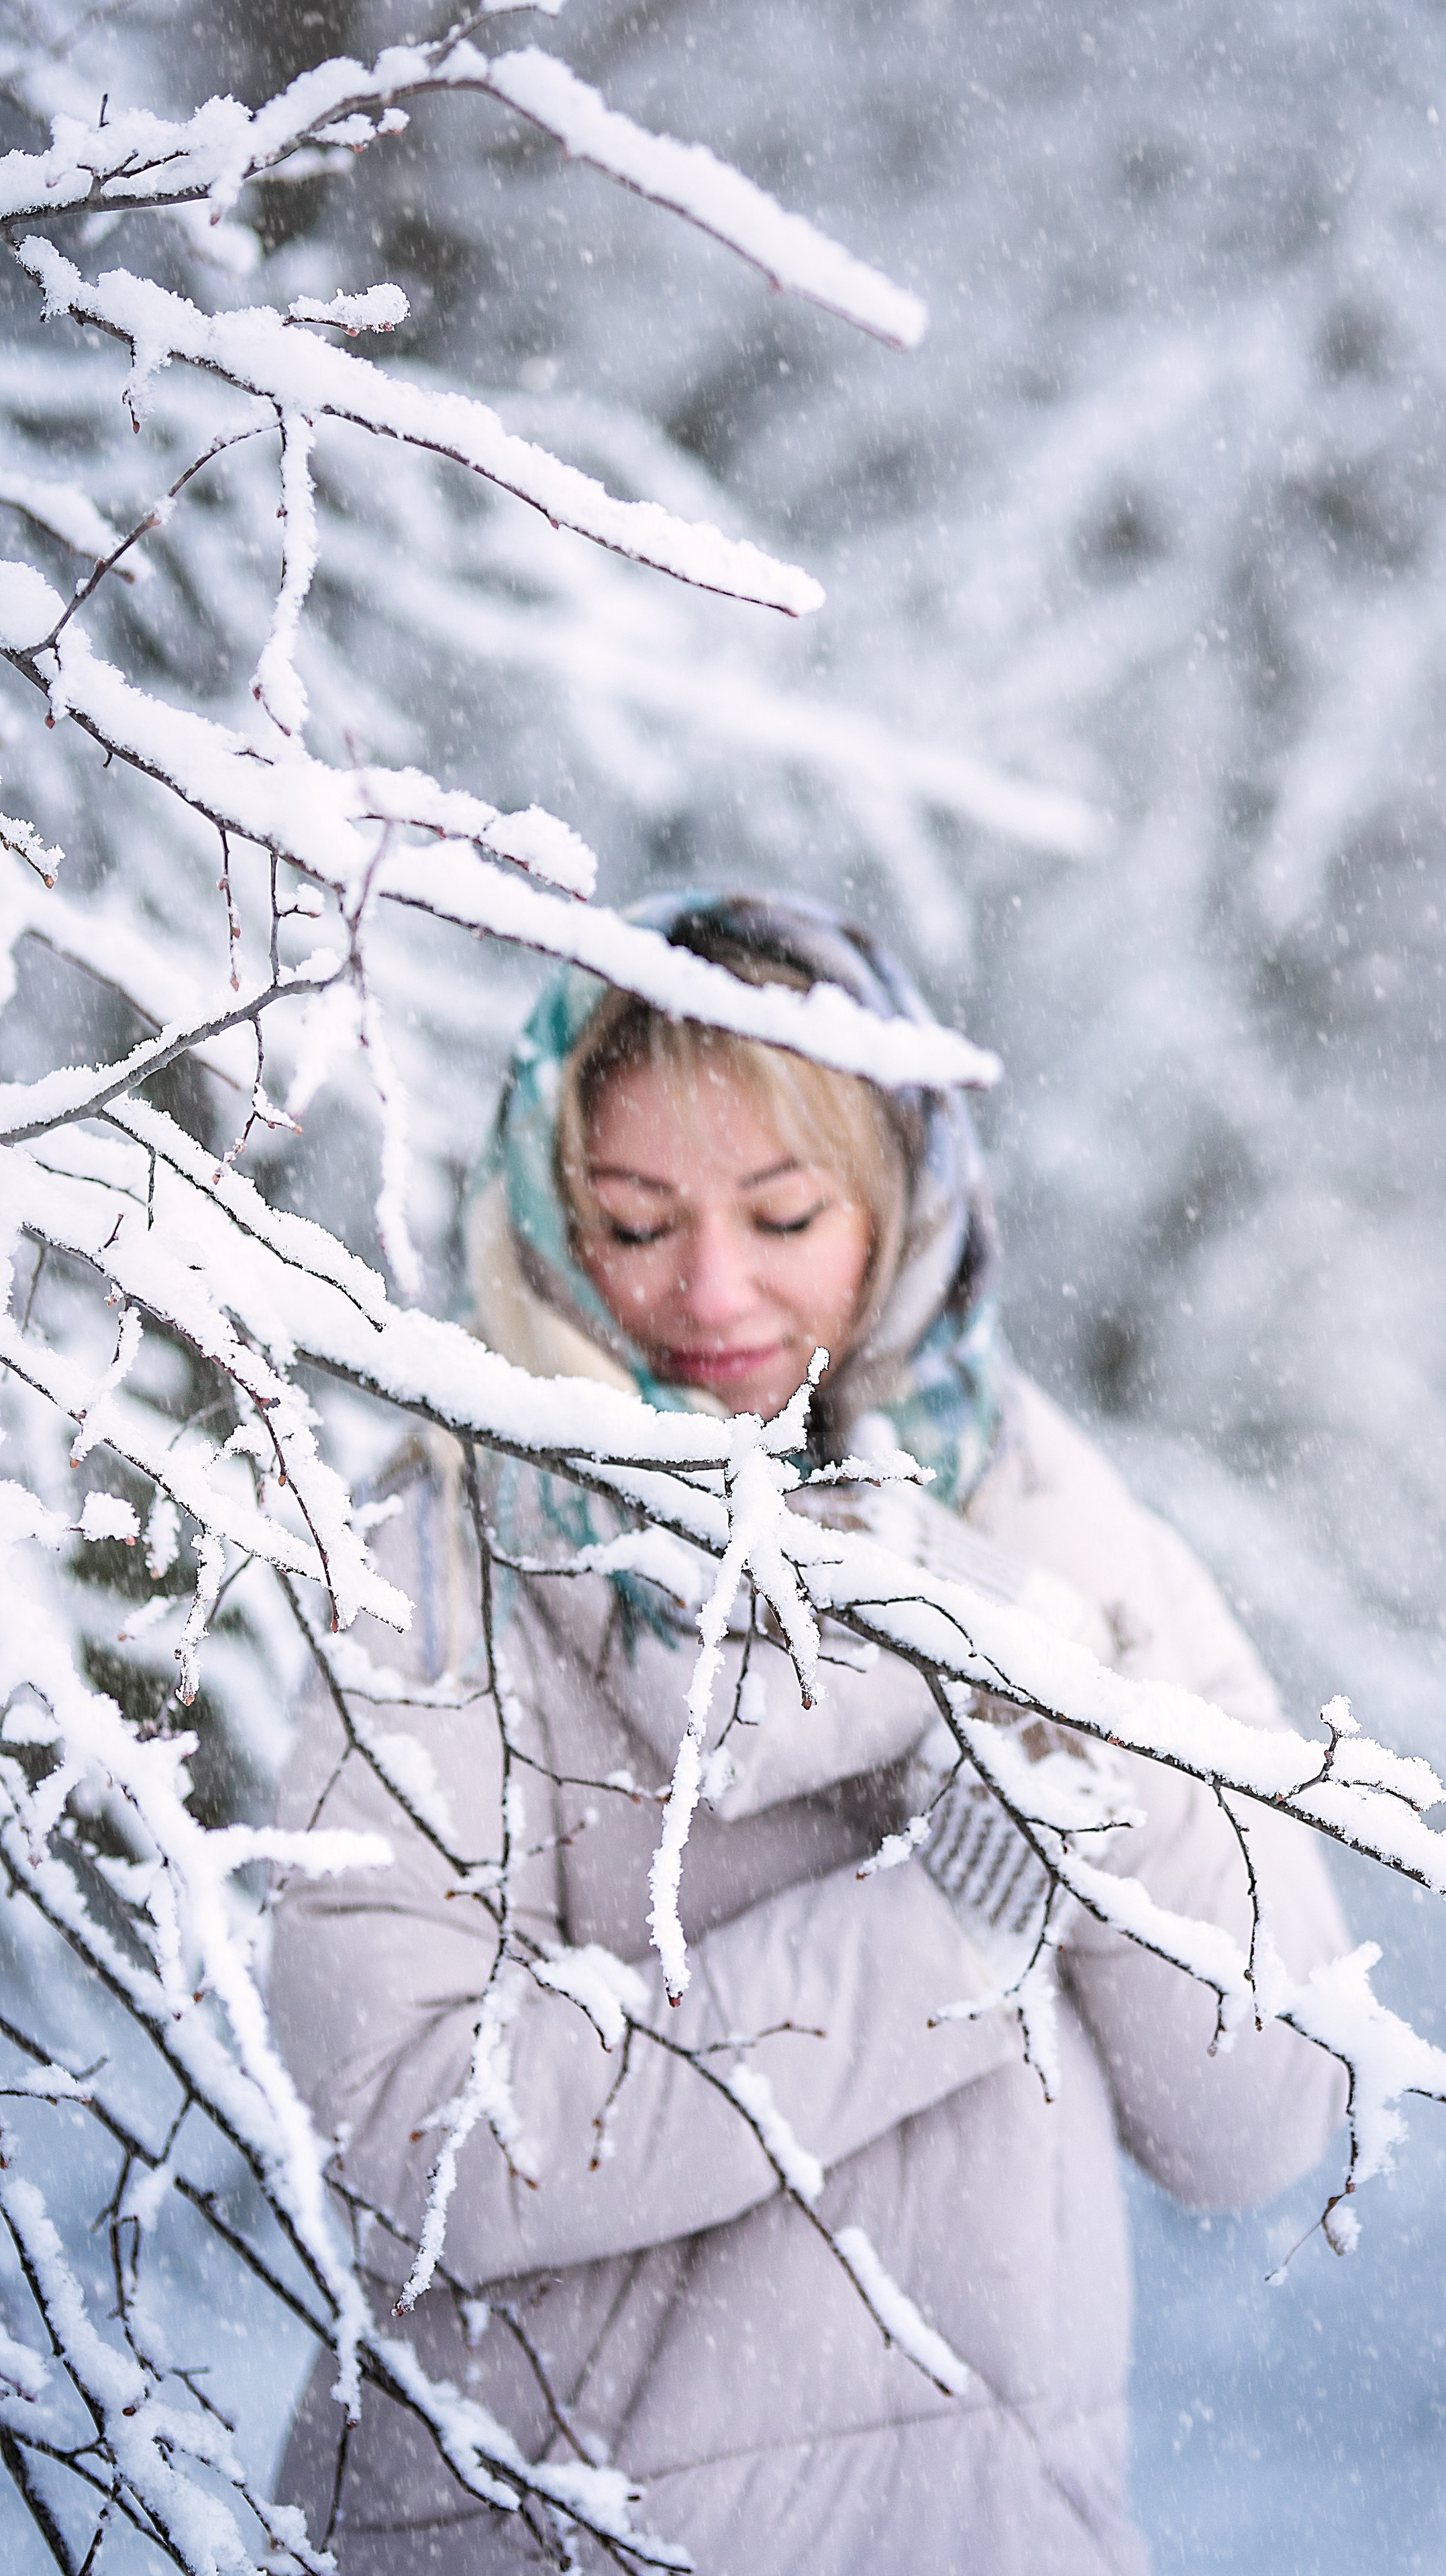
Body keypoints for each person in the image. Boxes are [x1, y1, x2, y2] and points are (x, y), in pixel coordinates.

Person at [271, 891, 1347, 2575]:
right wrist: (935, 1938)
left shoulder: (1049, 1523)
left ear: (900, 1206)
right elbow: (415, 2141)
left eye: (782, 1215)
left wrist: (1068, 1748)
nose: (711, 1290)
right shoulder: (448, 1555)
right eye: (636, 1222)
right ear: (550, 1211)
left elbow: (1261, 2113)